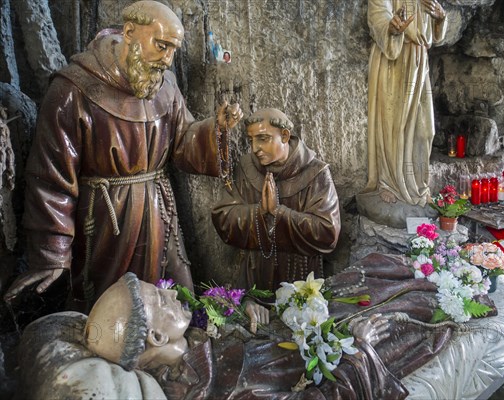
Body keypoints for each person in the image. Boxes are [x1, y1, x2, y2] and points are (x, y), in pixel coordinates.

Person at [3, 1, 243, 310]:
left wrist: (216, 130)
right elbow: (52, 177)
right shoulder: (74, 89)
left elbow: (183, 142)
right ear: (129, 32)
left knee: (170, 301)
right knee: (109, 311)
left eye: (173, 49)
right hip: (105, 221)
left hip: (158, 214)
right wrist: (52, 251)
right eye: (161, 45)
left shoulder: (165, 85)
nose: (167, 60)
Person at [17, 255, 455, 399]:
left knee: (369, 273)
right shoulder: (222, 388)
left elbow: (234, 331)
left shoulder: (190, 348)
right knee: (404, 308)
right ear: (153, 337)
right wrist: (358, 352)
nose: (173, 294)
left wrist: (248, 313)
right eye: (161, 300)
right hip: (331, 356)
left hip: (292, 330)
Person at [211, 108, 341, 292]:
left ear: (285, 136)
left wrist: (279, 212)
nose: (255, 148)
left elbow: (328, 233)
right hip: (255, 278)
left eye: (263, 139)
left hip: (301, 283)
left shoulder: (316, 173)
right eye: (251, 140)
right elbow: (223, 217)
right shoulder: (246, 167)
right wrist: (259, 211)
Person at [362, 0, 447, 205]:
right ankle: (389, 183)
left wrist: (441, 18)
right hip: (393, 63)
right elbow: (377, 16)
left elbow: (435, 33)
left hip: (419, 61)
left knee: (425, 130)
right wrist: (392, 27)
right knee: (393, 126)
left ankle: (418, 184)